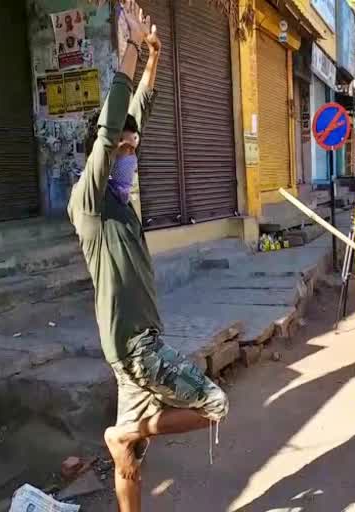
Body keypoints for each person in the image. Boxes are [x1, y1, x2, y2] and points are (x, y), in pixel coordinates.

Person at [67, 2, 228, 511]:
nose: (130, 155)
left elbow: (139, 111)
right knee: (214, 404)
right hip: (134, 345)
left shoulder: (121, 202)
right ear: (102, 151)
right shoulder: (90, 201)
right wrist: (131, 48)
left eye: (135, 149)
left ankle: (127, 443)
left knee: (130, 458)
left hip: (131, 343)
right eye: (123, 149)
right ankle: (126, 431)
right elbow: (114, 122)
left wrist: (155, 58)